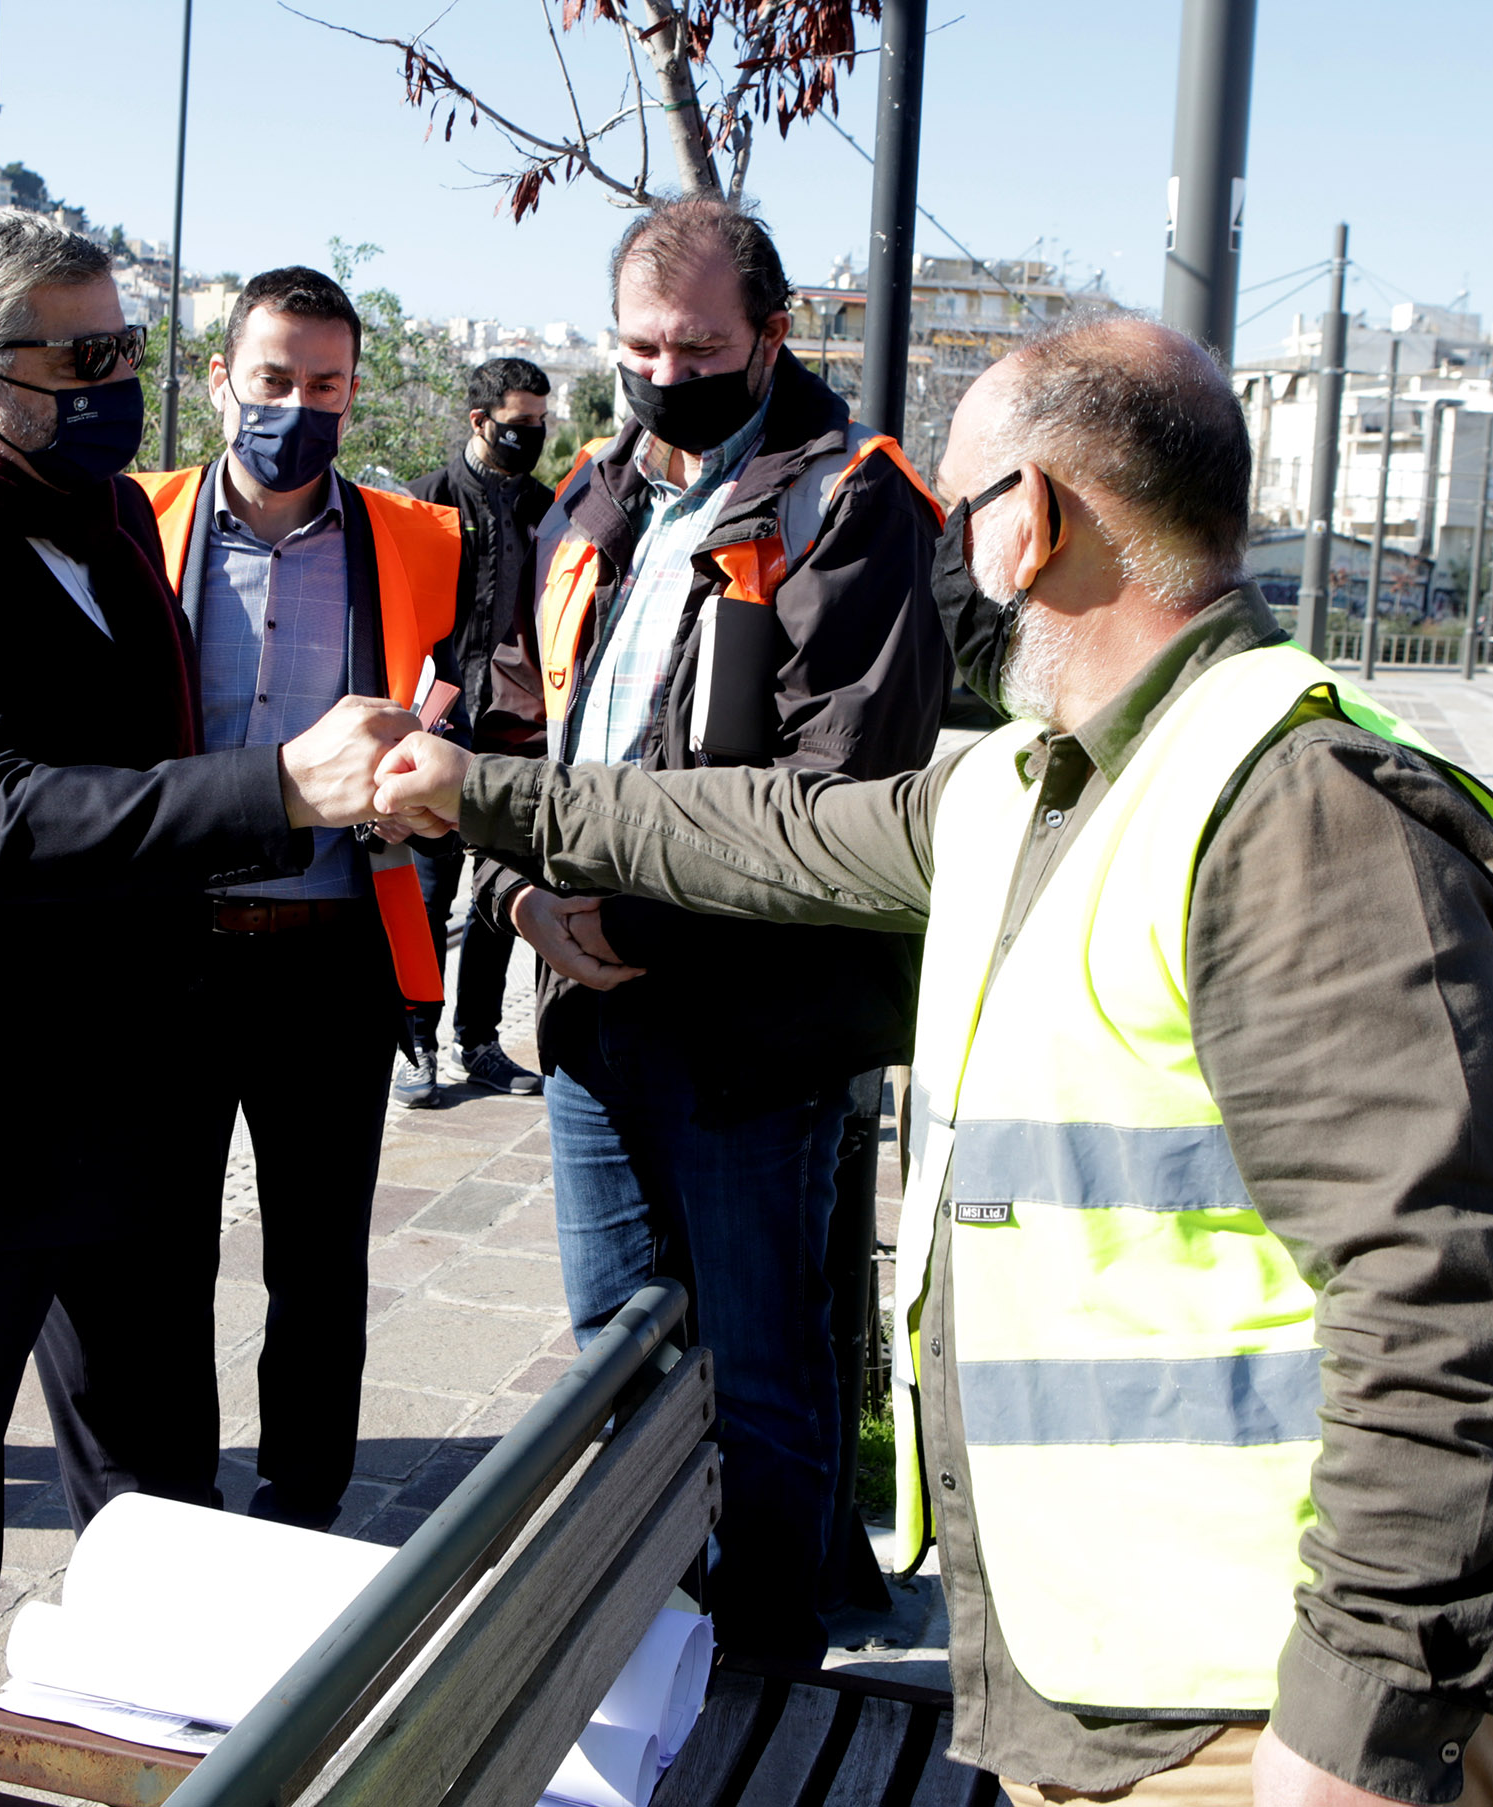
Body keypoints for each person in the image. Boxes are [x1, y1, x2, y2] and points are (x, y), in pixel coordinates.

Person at [377, 313, 1493, 1807]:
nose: (938, 547)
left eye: (955, 506)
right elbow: (769, 830)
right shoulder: (1031, 775)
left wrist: (1362, 1716)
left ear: (1032, 520)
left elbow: (1442, 1295)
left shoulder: (1295, 804)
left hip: (1259, 1713)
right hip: (1103, 1665)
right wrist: (481, 792)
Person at [0, 210, 421, 1807]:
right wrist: (278, 787)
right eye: (82, 357)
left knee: (154, 1487)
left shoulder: (108, 517)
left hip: (127, 1104)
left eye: (126, 347)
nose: (118, 383)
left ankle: (160, 1746)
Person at [471, 196, 948, 1660]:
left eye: (695, 347)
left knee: (757, 1374)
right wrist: (519, 898)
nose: (661, 373)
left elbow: (831, 793)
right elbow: (516, 713)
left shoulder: (849, 500)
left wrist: (630, 916)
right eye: (636, 347)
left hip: (750, 1024)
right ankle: (648, 1651)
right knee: (615, 1358)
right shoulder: (594, 492)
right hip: (587, 1002)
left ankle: (757, 1667)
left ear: (773, 335)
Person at [126, 264, 463, 1531]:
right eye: (273, 379)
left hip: (332, 952)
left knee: (319, 1263)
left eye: (325, 385)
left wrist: (429, 773)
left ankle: (302, 1502)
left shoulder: (421, 541)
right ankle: (171, 1497)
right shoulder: (136, 523)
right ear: (222, 381)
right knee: (159, 1257)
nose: (298, 407)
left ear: (353, 393)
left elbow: (470, 699)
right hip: (170, 951)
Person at [394, 354, 554, 1104]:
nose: (533, 436)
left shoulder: (552, 512)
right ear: (479, 420)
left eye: (541, 423)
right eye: (520, 424)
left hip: (517, 733)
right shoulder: (424, 503)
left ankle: (480, 1041)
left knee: (499, 890)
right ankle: (415, 1042)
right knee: (429, 896)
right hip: (436, 726)